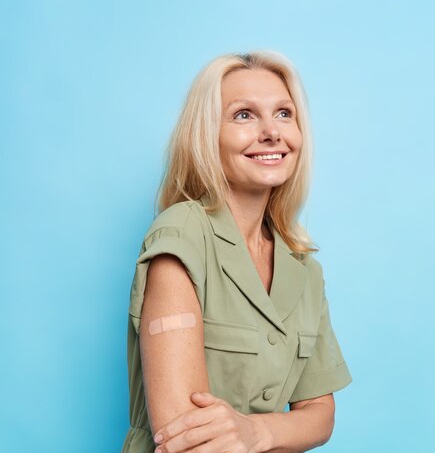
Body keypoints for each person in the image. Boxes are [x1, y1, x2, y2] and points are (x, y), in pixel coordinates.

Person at [121, 50, 353, 453]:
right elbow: (186, 437)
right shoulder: (182, 234)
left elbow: (321, 413)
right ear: (207, 135)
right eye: (243, 115)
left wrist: (253, 432)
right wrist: (283, 429)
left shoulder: (302, 267)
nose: (272, 132)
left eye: (284, 113)